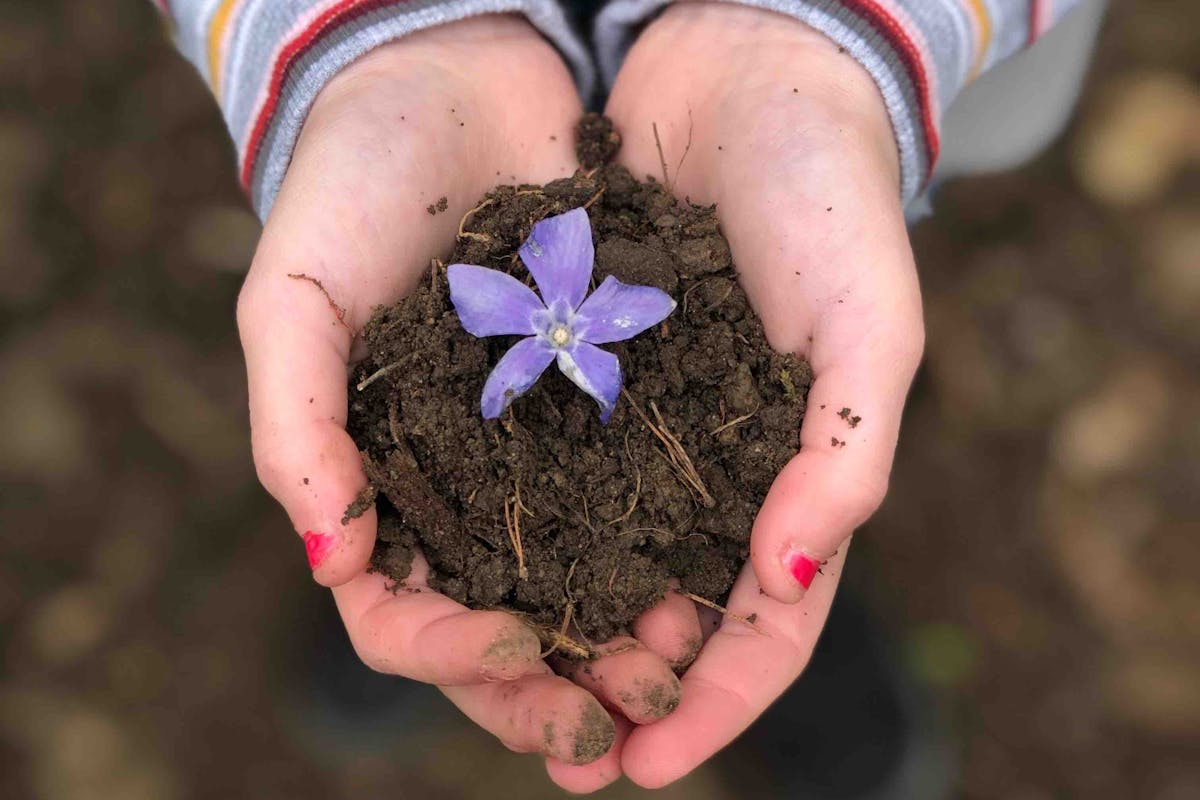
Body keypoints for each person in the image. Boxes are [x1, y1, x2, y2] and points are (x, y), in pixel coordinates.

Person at [158, 0, 1106, 792]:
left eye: (567, 333)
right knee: (373, 420)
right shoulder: (522, 329)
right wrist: (364, 40)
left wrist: (835, 35)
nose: (563, 336)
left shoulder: (609, 326)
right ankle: (433, 545)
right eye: (557, 334)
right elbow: (496, 381)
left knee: (809, 362)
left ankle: (756, 560)